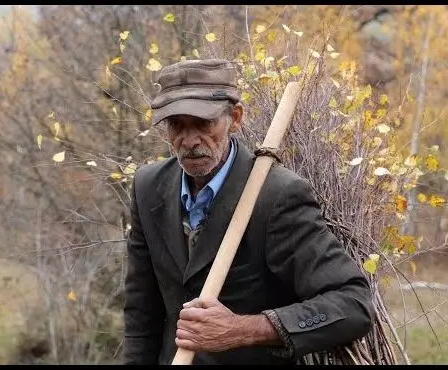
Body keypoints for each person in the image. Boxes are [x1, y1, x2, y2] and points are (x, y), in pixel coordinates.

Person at [122, 58, 375, 365]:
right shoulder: (149, 186)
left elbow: (353, 303)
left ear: (236, 117)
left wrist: (242, 330)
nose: (188, 141)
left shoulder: (277, 195)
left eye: (203, 123)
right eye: (177, 125)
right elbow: (141, 312)